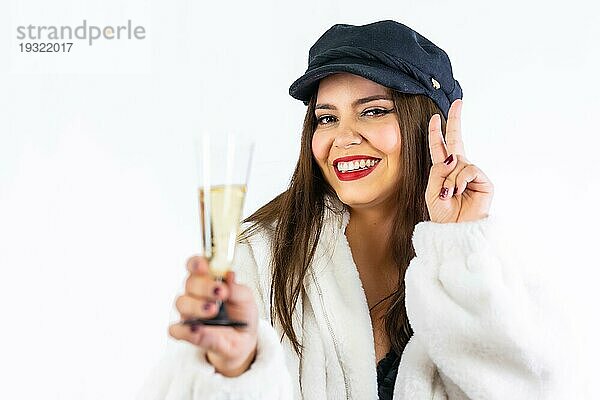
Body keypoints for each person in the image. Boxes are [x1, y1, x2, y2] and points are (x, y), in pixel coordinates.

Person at [137, 20, 567, 400]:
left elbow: (530, 386)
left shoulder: (490, 265)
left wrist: (460, 247)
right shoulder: (256, 260)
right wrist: (238, 369)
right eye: (326, 118)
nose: (342, 138)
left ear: (429, 128)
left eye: (373, 111)